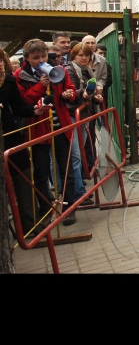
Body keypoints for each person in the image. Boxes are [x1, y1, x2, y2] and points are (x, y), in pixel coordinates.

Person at [14, 39, 78, 226]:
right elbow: (24, 101)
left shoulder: (59, 69)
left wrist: (69, 94)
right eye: (36, 58)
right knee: (41, 172)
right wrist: (41, 86)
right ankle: (46, 209)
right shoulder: (20, 76)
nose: (41, 60)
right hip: (38, 129)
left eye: (43, 56)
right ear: (26, 58)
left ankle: (68, 207)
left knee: (66, 168)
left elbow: (71, 90)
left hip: (60, 125)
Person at [0, 50, 42, 237]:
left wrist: (35, 110)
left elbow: (18, 108)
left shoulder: (8, 81)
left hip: (12, 137)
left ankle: (30, 226)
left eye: (0, 60)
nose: (0, 64)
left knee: (24, 179)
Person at [64, 43, 104, 202]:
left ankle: (80, 189)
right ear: (74, 56)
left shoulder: (87, 71)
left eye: (86, 55)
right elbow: (72, 93)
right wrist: (86, 94)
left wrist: (94, 98)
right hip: (72, 115)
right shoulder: (69, 70)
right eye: (80, 55)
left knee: (80, 152)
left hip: (84, 114)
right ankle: (79, 193)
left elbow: (89, 92)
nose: (84, 57)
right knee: (75, 155)